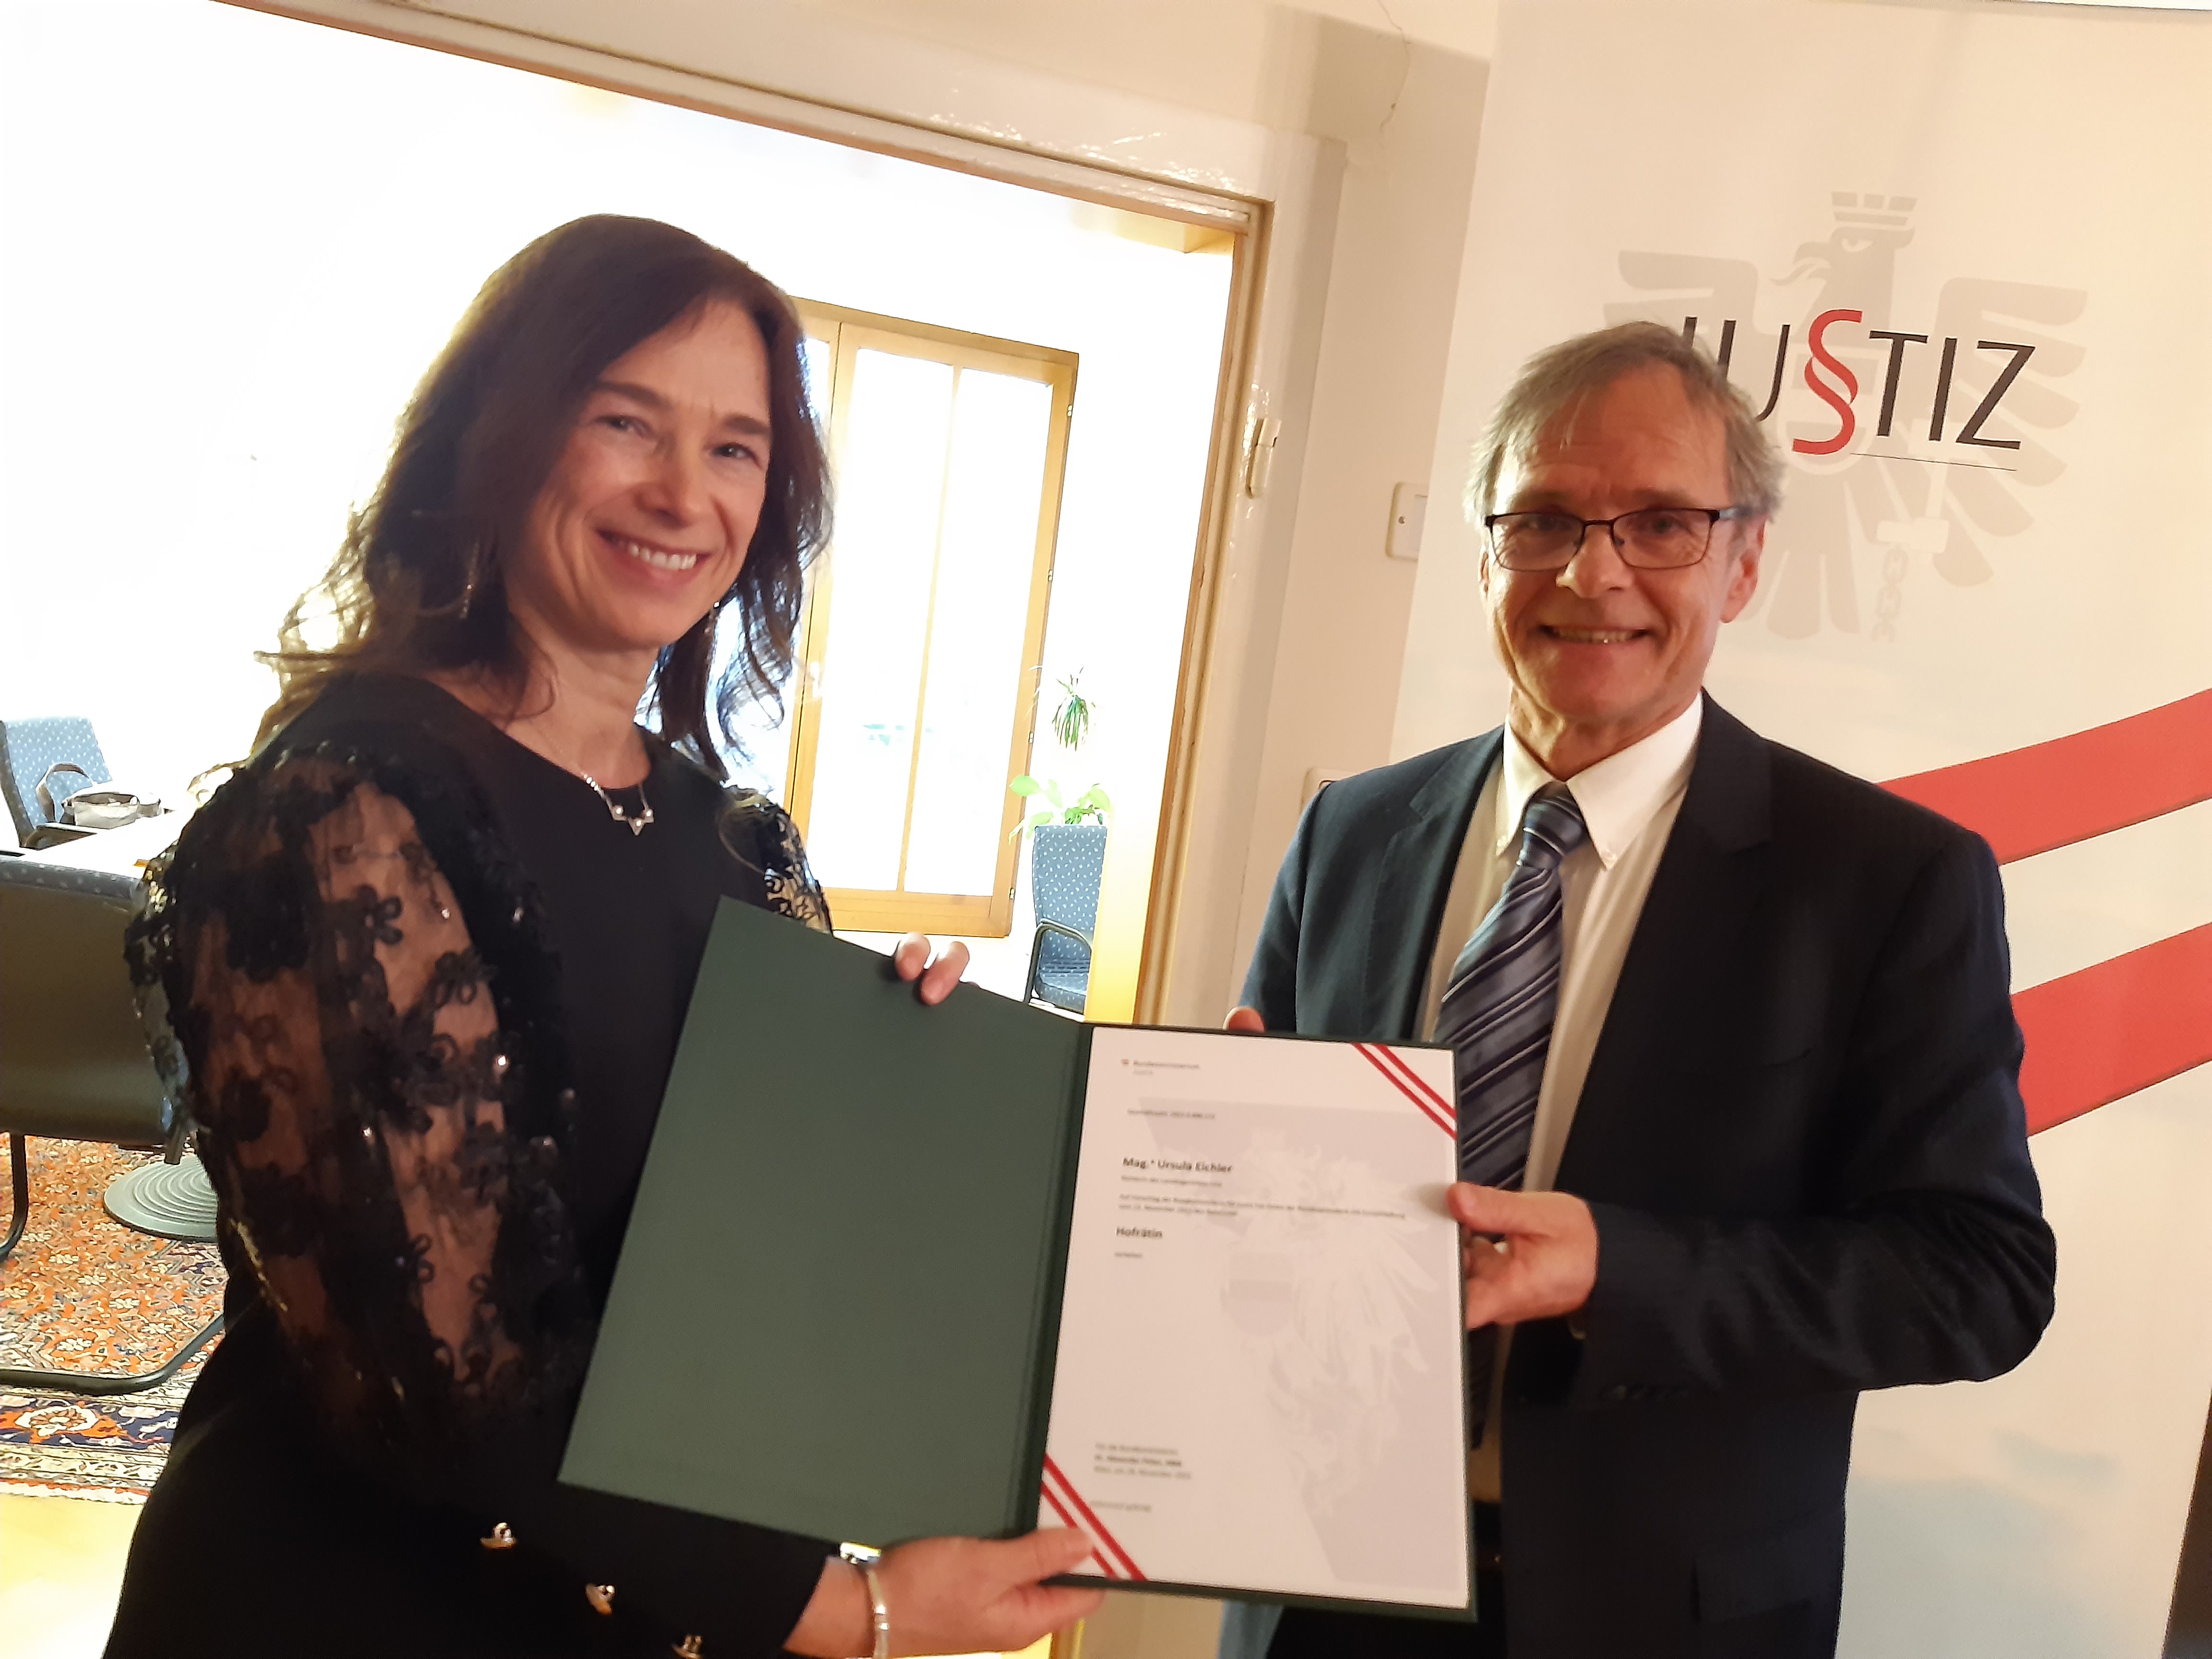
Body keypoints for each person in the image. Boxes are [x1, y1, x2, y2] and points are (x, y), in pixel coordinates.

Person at [108, 215, 1101, 1658]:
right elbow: (449, 1382)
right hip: (363, 1608)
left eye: (735, 447)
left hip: (666, 1599)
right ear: (500, 439)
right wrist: (853, 1612)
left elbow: (764, 1261)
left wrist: (904, 1081)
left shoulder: (734, 837)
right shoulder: (348, 813)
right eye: (625, 422)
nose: (682, 493)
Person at [1226, 323, 2056, 1659]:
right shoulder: (1353, 833)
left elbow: (1979, 1280)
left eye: (1662, 524)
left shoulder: (1888, 882)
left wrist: (1622, 1271)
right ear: (1487, 554)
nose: (1591, 571)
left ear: (1745, 562)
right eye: (1543, 520)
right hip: (1320, 1590)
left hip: (1662, 1617)